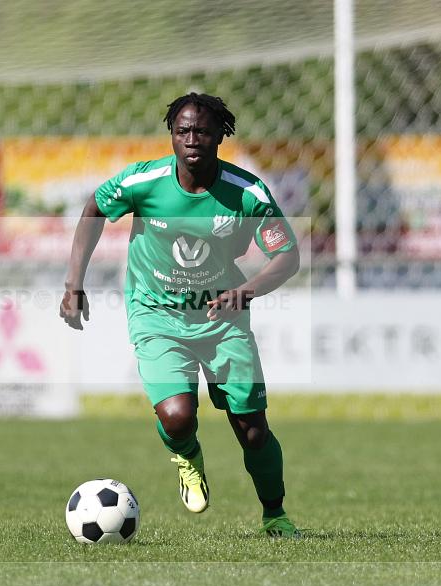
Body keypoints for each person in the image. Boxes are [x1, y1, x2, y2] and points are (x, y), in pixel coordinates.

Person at [59, 92, 301, 538]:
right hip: (156, 314)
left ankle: (276, 514)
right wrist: (74, 283)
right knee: (176, 415)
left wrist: (246, 291)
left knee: (251, 429)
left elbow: (287, 256)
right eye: (183, 130)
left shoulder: (247, 193)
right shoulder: (144, 182)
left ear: (219, 137)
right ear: (171, 135)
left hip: (221, 319)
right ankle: (188, 457)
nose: (192, 139)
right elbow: (94, 208)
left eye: (203, 131)